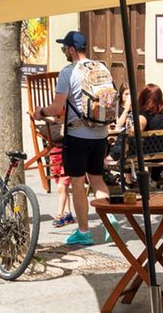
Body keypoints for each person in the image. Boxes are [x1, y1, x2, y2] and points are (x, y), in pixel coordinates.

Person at [40, 30, 112, 248]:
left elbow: (57, 107)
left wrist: (40, 112)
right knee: (97, 179)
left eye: (65, 47)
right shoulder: (102, 67)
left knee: (78, 184)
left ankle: (83, 232)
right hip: (101, 133)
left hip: (78, 135)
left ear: (72, 49)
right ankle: (111, 222)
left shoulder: (68, 72)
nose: (63, 50)